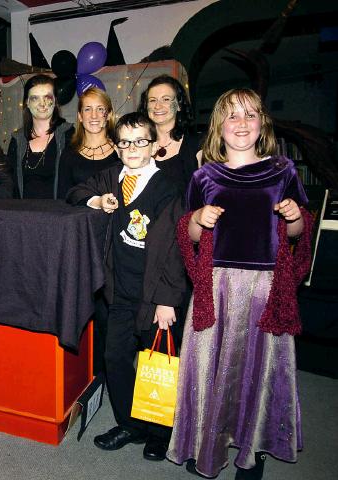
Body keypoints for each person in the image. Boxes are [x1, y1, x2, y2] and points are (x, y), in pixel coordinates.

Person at [167, 89, 313, 480]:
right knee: (214, 370)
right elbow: (189, 234)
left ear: (263, 122)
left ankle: (253, 448)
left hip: (267, 289)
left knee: (258, 371)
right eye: (232, 116)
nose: (242, 123)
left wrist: (294, 214)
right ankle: (207, 444)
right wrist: (199, 217)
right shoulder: (204, 175)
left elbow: (299, 232)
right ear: (219, 126)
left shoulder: (282, 171)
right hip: (216, 288)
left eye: (250, 114)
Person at [67, 112, 185, 461]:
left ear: (153, 145)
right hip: (119, 292)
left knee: (157, 364)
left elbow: (177, 250)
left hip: (154, 295)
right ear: (116, 147)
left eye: (140, 141)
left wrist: (167, 300)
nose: (132, 148)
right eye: (124, 142)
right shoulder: (109, 178)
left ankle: (160, 433)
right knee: (114, 358)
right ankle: (131, 423)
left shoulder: (167, 187)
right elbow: (76, 191)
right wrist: (97, 201)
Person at [57, 87, 121, 374]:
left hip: (116, 240)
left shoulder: (123, 150)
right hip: (82, 242)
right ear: (80, 117)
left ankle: (110, 371)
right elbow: (62, 198)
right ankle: (88, 373)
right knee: (85, 306)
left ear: (108, 114)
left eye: (100, 109)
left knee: (112, 308)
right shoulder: (69, 155)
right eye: (87, 110)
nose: (94, 115)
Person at [7, 74, 73, 199]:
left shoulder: (69, 135)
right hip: (24, 215)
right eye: (35, 98)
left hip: (59, 215)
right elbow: (10, 185)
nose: (42, 104)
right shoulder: (17, 140)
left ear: (55, 101)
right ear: (26, 103)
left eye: (47, 98)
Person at [138, 74, 199, 195]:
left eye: (166, 99)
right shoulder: (137, 146)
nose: (157, 106)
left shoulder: (197, 145)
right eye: (152, 100)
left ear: (179, 105)